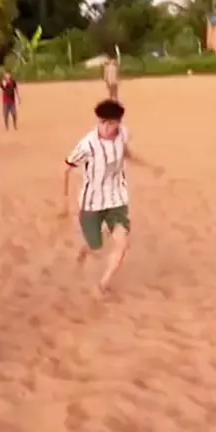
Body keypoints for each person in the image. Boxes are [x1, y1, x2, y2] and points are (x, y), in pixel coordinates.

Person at [62, 98, 151, 296]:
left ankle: (102, 284)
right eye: (103, 122)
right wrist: (65, 202)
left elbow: (125, 152)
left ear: (119, 122)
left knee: (123, 243)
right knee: (96, 247)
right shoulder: (87, 145)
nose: (106, 127)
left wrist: (147, 165)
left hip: (117, 199)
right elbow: (66, 168)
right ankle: (85, 250)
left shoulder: (123, 134)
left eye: (111, 123)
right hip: (91, 203)